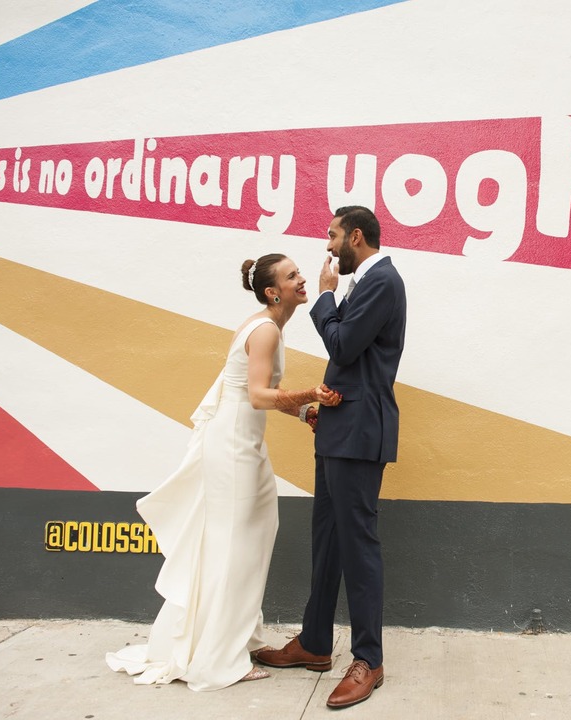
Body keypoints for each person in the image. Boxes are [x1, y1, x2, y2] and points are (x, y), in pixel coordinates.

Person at [106, 253, 340, 691]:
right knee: (237, 546)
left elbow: (251, 393)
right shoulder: (267, 328)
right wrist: (312, 393)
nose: (302, 278)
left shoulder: (266, 325)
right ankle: (217, 660)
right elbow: (255, 395)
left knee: (244, 538)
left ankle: (228, 639)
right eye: (292, 276)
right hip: (233, 448)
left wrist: (304, 411)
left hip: (238, 442)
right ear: (274, 292)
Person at [254, 206, 406, 709]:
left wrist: (324, 295)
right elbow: (348, 348)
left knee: (358, 543)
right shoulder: (363, 284)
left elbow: (341, 346)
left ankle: (369, 659)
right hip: (340, 430)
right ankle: (316, 643)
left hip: (361, 433)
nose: (327, 246)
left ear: (355, 238)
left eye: (332, 236)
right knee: (328, 538)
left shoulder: (381, 280)